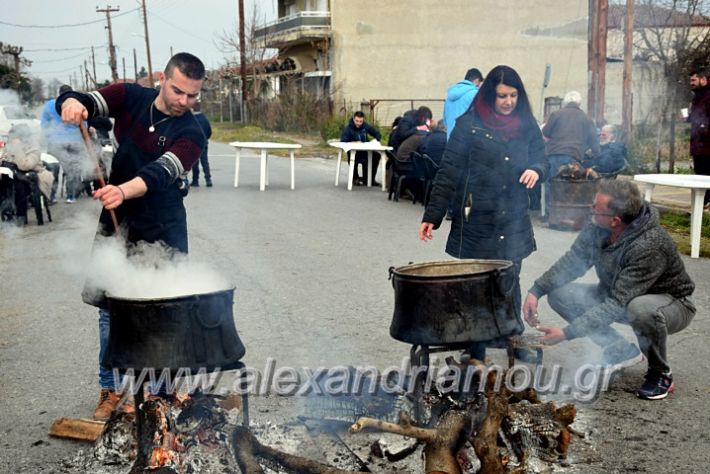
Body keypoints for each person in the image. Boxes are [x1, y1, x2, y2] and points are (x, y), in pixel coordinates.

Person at [58, 52, 207, 420]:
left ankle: (160, 394)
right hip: (119, 218)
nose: (184, 102)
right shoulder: (130, 96)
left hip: (164, 222)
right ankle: (110, 389)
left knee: (162, 309)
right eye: (178, 92)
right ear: (162, 79)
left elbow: (162, 171)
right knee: (111, 307)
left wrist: (123, 190)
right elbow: (87, 101)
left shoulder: (193, 130)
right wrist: (73, 102)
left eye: (193, 96)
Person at [419, 65, 548, 361]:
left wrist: (537, 170)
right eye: (502, 95)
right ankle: (474, 343)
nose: (508, 102)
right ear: (490, 96)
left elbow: (543, 158)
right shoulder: (470, 124)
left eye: (513, 95)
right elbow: (448, 170)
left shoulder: (526, 124)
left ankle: (512, 335)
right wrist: (432, 215)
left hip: (513, 216)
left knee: (510, 276)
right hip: (476, 214)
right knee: (476, 281)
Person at [523, 179, 695, 400]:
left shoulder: (649, 244)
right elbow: (572, 261)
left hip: (671, 304)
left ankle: (660, 373)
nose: (591, 209)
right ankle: (619, 349)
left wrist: (567, 333)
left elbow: (617, 304)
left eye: (596, 207)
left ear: (614, 221)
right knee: (560, 294)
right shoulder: (597, 227)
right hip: (620, 295)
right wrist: (537, 290)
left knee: (640, 309)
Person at [542, 90, 599, 215]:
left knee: (552, 183)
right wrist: (596, 153)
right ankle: (566, 214)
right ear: (579, 103)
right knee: (568, 185)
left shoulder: (556, 114)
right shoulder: (586, 118)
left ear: (565, 102)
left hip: (553, 154)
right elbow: (593, 139)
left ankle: (550, 214)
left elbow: (545, 133)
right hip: (573, 156)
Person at [40, 84, 88, 203]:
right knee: (73, 169)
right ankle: (71, 196)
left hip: (55, 142)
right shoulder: (77, 105)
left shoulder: (50, 105)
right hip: (75, 141)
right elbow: (84, 124)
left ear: (59, 94)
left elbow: (44, 125)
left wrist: (48, 137)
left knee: (52, 169)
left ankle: (50, 196)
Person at [1, 124, 54, 222]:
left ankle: (21, 215)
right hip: (14, 175)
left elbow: (24, 165)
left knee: (19, 185)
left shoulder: (33, 148)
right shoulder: (10, 147)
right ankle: (6, 213)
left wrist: (17, 147)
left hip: (31, 178)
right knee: (4, 182)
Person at [340, 111, 382, 185]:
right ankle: (355, 178)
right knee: (352, 157)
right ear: (353, 119)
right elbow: (343, 141)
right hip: (354, 152)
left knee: (376, 155)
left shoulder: (365, 126)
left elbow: (377, 133)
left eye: (361, 121)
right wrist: (354, 142)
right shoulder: (348, 128)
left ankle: (369, 179)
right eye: (357, 121)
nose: (359, 123)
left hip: (365, 150)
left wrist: (376, 140)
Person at [688, 69, 710, 208]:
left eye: (694, 80)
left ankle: (707, 203)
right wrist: (688, 118)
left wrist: (703, 127)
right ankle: (702, 204)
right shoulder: (698, 96)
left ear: (704, 79)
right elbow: (698, 116)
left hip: (707, 144)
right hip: (698, 143)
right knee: (700, 175)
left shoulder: (708, 95)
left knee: (708, 175)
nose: (691, 83)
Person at [443, 67, 483, 140]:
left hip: (450, 142)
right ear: (477, 81)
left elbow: (445, 121)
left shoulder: (448, 97)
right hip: (467, 143)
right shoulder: (475, 94)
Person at [190, 102, 212, 187]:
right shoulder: (204, 118)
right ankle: (208, 179)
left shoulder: (191, 119)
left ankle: (195, 180)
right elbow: (209, 130)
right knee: (205, 161)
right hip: (203, 142)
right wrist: (206, 138)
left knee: (194, 163)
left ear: (192, 108)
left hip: (193, 143)